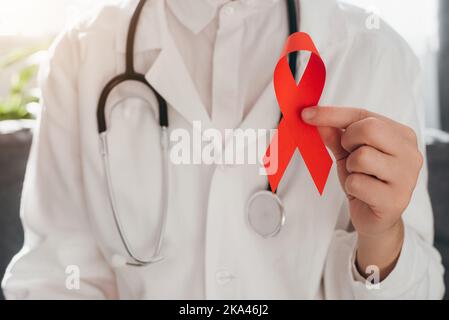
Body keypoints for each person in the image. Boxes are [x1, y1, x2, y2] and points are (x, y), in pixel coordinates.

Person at [1, 0, 445, 299]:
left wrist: (382, 238)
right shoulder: (83, 54)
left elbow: (420, 291)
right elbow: (55, 279)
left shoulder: (375, 53)